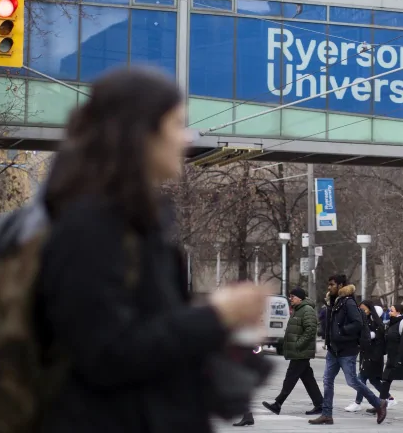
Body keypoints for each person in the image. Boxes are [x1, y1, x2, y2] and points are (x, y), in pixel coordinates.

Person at [33, 67, 267, 433]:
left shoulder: (142, 224)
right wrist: (214, 316)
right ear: (140, 133)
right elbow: (106, 355)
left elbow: (163, 355)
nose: (187, 138)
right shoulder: (89, 226)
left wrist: (232, 333)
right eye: (177, 124)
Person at [310, 275, 387, 425]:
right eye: (329, 284)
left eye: (332, 284)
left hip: (347, 349)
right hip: (334, 349)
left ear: (340, 285)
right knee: (327, 380)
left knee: (352, 381)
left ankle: (379, 403)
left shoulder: (348, 302)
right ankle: (327, 414)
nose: (329, 287)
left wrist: (341, 331)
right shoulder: (334, 301)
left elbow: (357, 323)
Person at [263, 288, 323, 416]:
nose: (290, 299)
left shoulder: (307, 310)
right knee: (308, 379)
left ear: (300, 298)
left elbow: (311, 329)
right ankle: (320, 404)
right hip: (300, 351)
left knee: (290, 377)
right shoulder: (298, 310)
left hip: (301, 351)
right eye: (290, 297)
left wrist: (298, 344)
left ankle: (278, 403)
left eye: (292, 297)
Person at [345, 300, 396, 413]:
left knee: (361, 379)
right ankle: (389, 398)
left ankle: (357, 403)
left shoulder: (377, 324)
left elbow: (375, 339)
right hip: (367, 355)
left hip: (373, 357)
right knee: (374, 380)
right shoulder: (365, 321)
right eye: (361, 309)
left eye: (364, 309)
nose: (362, 311)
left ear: (370, 309)